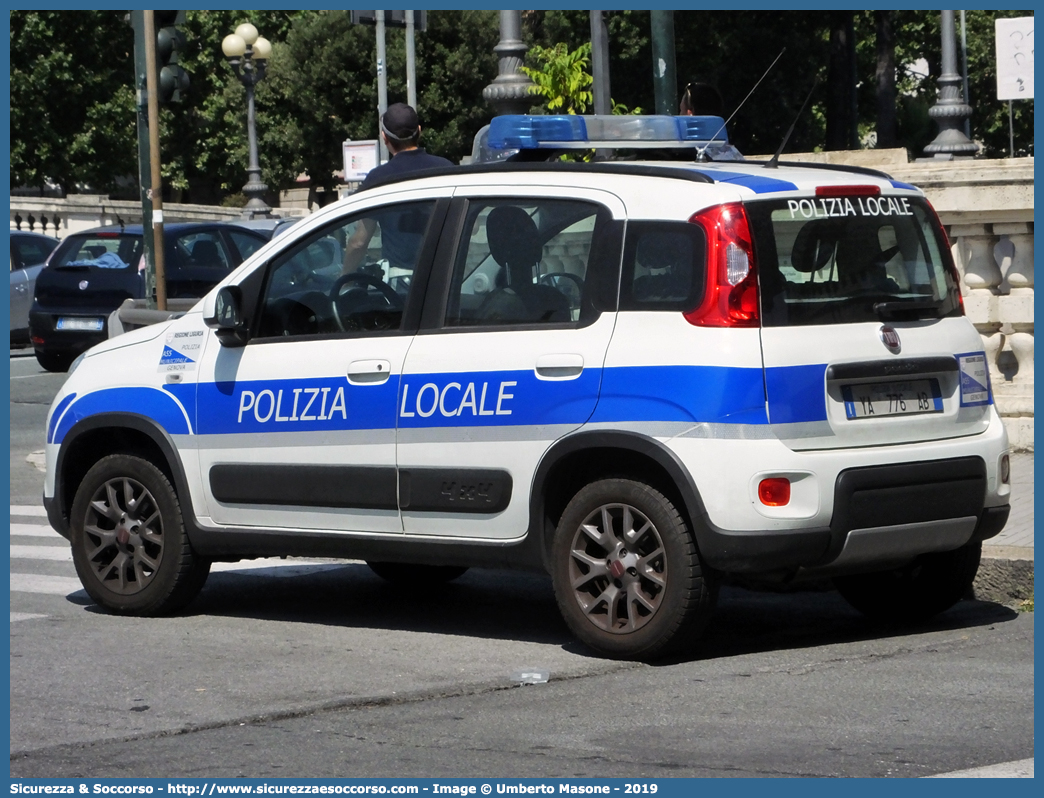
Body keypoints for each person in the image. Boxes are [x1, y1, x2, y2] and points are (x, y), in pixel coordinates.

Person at [342, 103, 453, 275]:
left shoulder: (378, 179)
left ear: (384, 137)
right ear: (419, 131)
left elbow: (359, 242)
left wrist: (343, 280)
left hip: (400, 284)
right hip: (443, 278)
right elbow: (473, 226)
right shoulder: (446, 169)